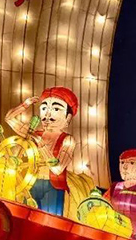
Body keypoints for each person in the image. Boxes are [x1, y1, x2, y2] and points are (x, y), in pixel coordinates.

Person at [5, 87, 93, 217]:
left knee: (50, 220)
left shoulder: (67, 140)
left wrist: (41, 145)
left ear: (68, 117)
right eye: (44, 108)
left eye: (56, 109)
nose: (47, 114)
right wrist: (25, 104)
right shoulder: (34, 134)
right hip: (29, 184)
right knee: (25, 218)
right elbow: (9, 118)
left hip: (52, 188)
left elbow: (58, 168)